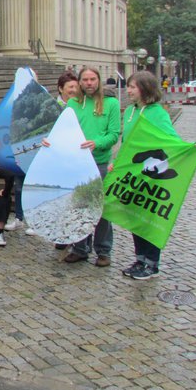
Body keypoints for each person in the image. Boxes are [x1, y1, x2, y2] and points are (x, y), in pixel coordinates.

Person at [119, 71, 196, 280]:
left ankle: (152, 264)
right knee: (135, 218)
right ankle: (140, 258)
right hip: (133, 173)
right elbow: (127, 143)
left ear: (145, 89)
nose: (128, 90)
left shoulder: (158, 113)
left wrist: (190, 149)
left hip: (151, 174)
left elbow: (171, 140)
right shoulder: (130, 112)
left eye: (132, 87)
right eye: (128, 86)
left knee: (148, 219)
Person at [62, 66, 121, 267]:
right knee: (79, 206)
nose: (89, 83)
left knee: (101, 209)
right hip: (77, 163)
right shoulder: (72, 103)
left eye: (92, 79)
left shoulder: (111, 103)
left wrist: (97, 142)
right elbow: (64, 130)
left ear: (98, 81)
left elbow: (114, 134)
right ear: (79, 82)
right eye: (85, 79)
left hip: (100, 162)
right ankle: (80, 248)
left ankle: (103, 250)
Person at [24, 70, 80, 239]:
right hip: (51, 155)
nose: (74, 90)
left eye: (76, 87)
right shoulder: (48, 106)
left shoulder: (79, 106)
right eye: (71, 87)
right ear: (61, 89)